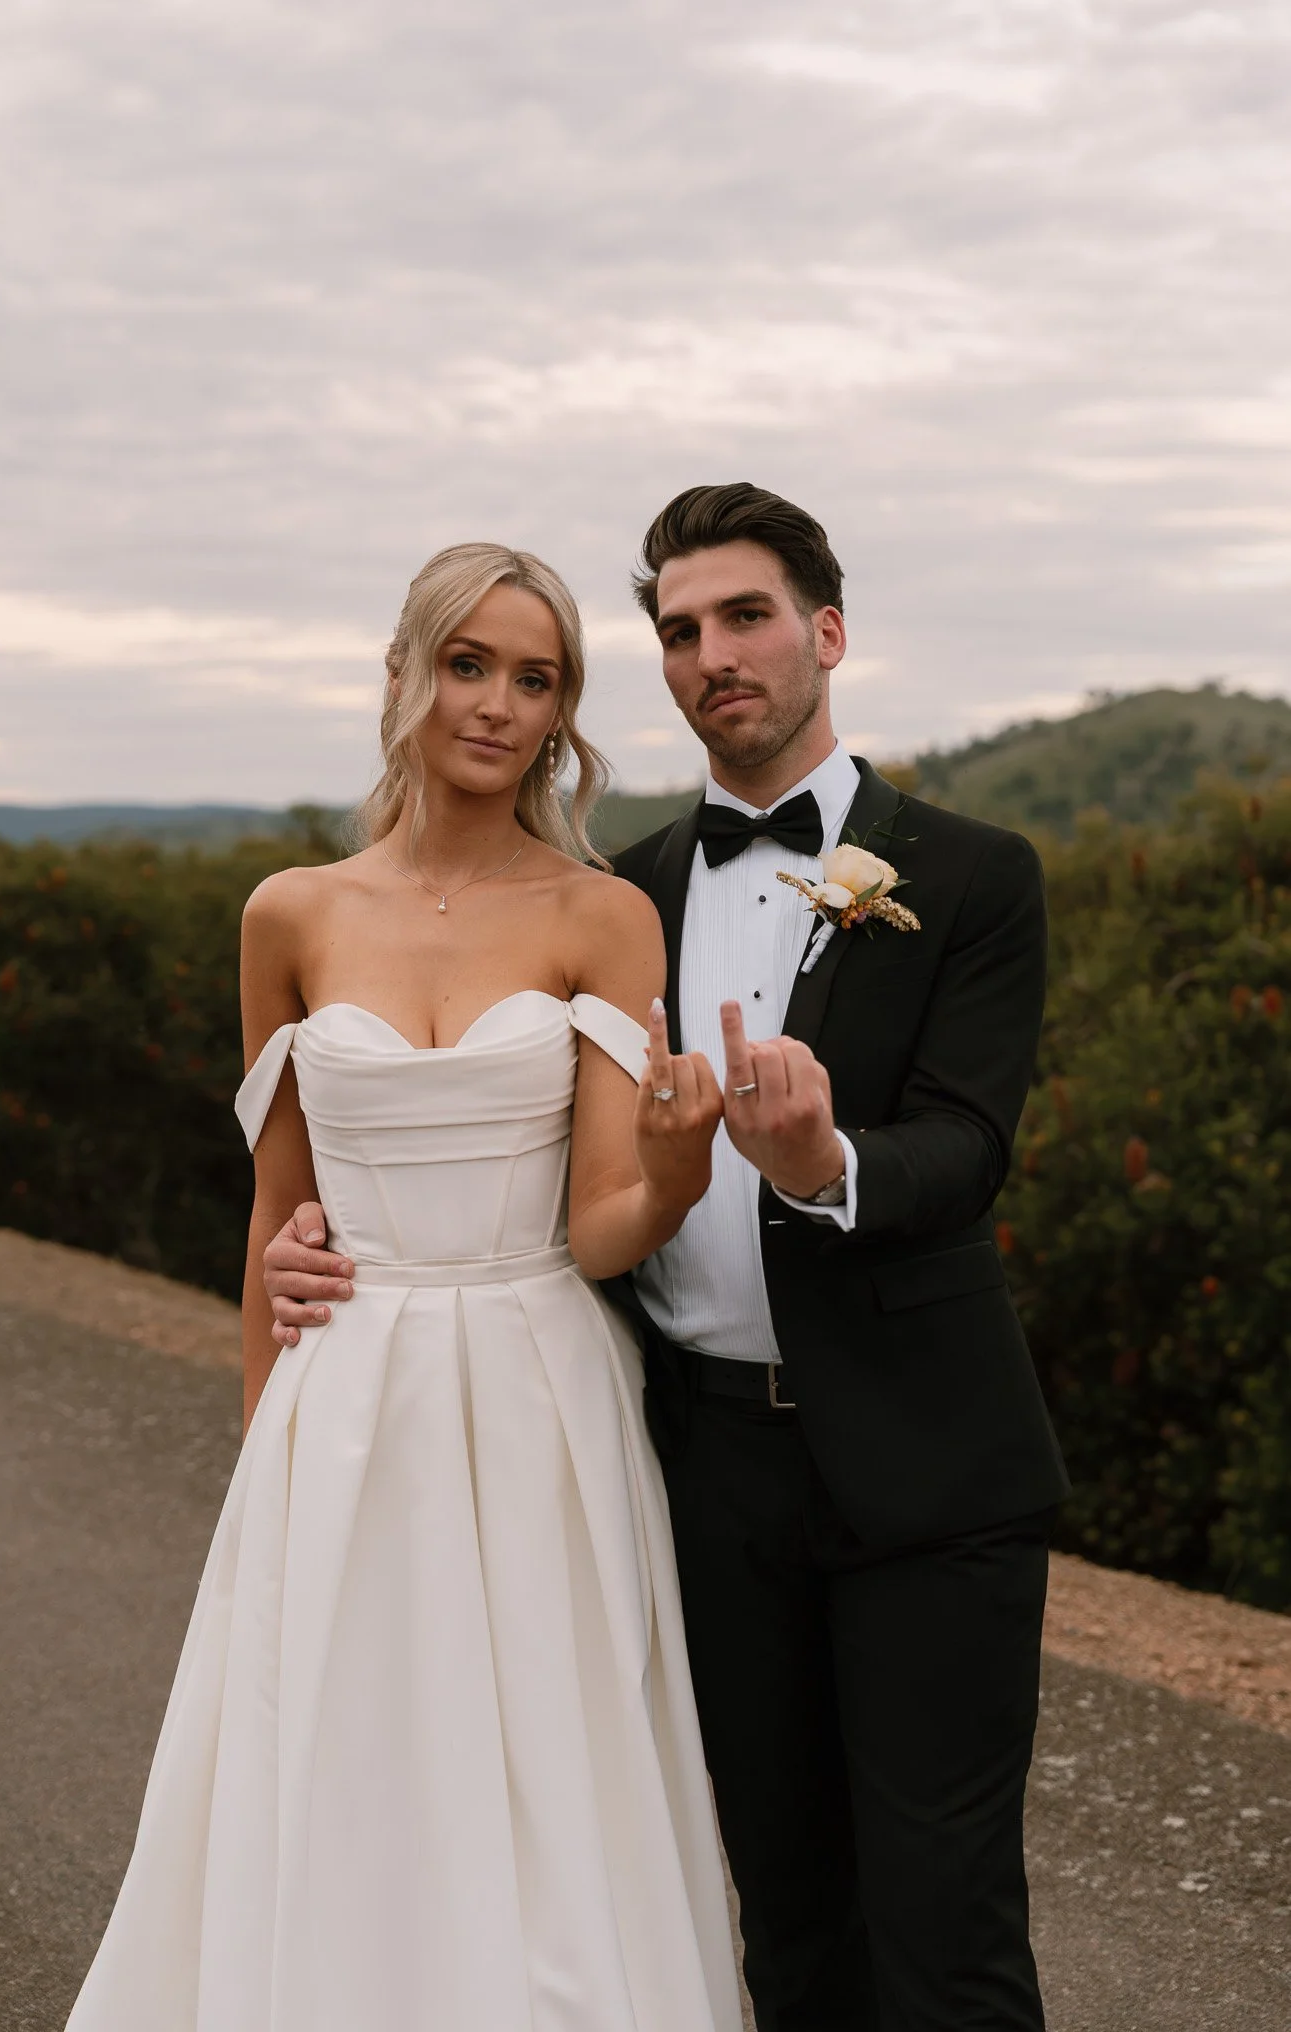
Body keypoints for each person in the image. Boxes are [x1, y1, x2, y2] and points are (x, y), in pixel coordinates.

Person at [270, 485, 1072, 2032]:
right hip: (687, 1463)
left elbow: (969, 1148)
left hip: (926, 1467)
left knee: (947, 1926)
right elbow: (516, 1154)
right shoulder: (606, 893)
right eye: (680, 631)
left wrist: (826, 1162)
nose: (714, 655)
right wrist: (328, 1225)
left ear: (827, 633)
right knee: (777, 1917)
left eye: (748, 617)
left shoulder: (975, 873)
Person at [65, 542, 745, 2032]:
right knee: (338, 1761)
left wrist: (687, 1168)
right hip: (344, 1396)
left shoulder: (601, 916)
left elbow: (608, 1227)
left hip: (538, 1392)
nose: (499, 705)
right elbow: (275, 1211)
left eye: (538, 678)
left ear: (563, 715)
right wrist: (269, 1455)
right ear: (402, 674)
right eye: (468, 664)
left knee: (544, 1791)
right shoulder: (288, 915)